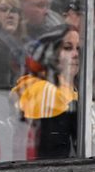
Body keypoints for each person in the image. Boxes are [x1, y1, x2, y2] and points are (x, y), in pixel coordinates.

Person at [12, 24, 80, 158]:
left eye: (78, 48)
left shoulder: (77, 89)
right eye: (67, 48)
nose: (76, 54)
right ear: (51, 53)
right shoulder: (44, 90)